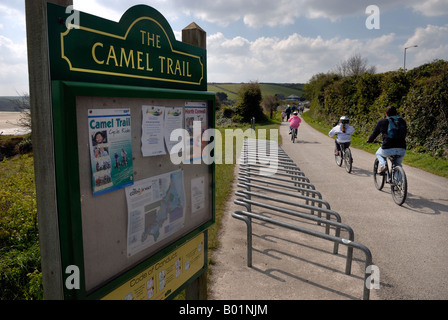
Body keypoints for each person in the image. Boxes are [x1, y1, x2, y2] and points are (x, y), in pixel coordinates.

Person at [367, 106, 407, 173]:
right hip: (402, 148)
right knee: (398, 164)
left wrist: (370, 140)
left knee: (379, 153)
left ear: (386, 114)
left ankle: (383, 165)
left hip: (387, 147)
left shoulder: (382, 122)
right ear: (396, 113)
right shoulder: (402, 121)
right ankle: (399, 181)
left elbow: (375, 133)